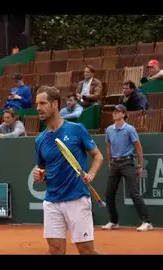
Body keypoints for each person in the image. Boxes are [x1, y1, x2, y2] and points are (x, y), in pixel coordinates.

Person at [33, 86, 104, 255]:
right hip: (52, 200)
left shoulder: (76, 129)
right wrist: (40, 175)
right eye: (37, 104)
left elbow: (98, 156)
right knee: (55, 250)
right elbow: (43, 169)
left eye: (43, 103)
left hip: (76, 198)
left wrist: (91, 174)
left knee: (86, 251)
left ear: (55, 104)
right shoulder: (40, 140)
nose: (38, 108)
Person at [102, 104, 153, 232]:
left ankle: (147, 222)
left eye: (118, 111)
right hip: (114, 163)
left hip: (127, 163)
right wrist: (110, 163)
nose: (114, 113)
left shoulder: (130, 129)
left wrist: (140, 165)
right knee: (109, 194)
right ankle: (114, 221)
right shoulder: (109, 130)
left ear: (124, 114)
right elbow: (109, 148)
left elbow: (138, 148)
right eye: (114, 111)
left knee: (134, 193)